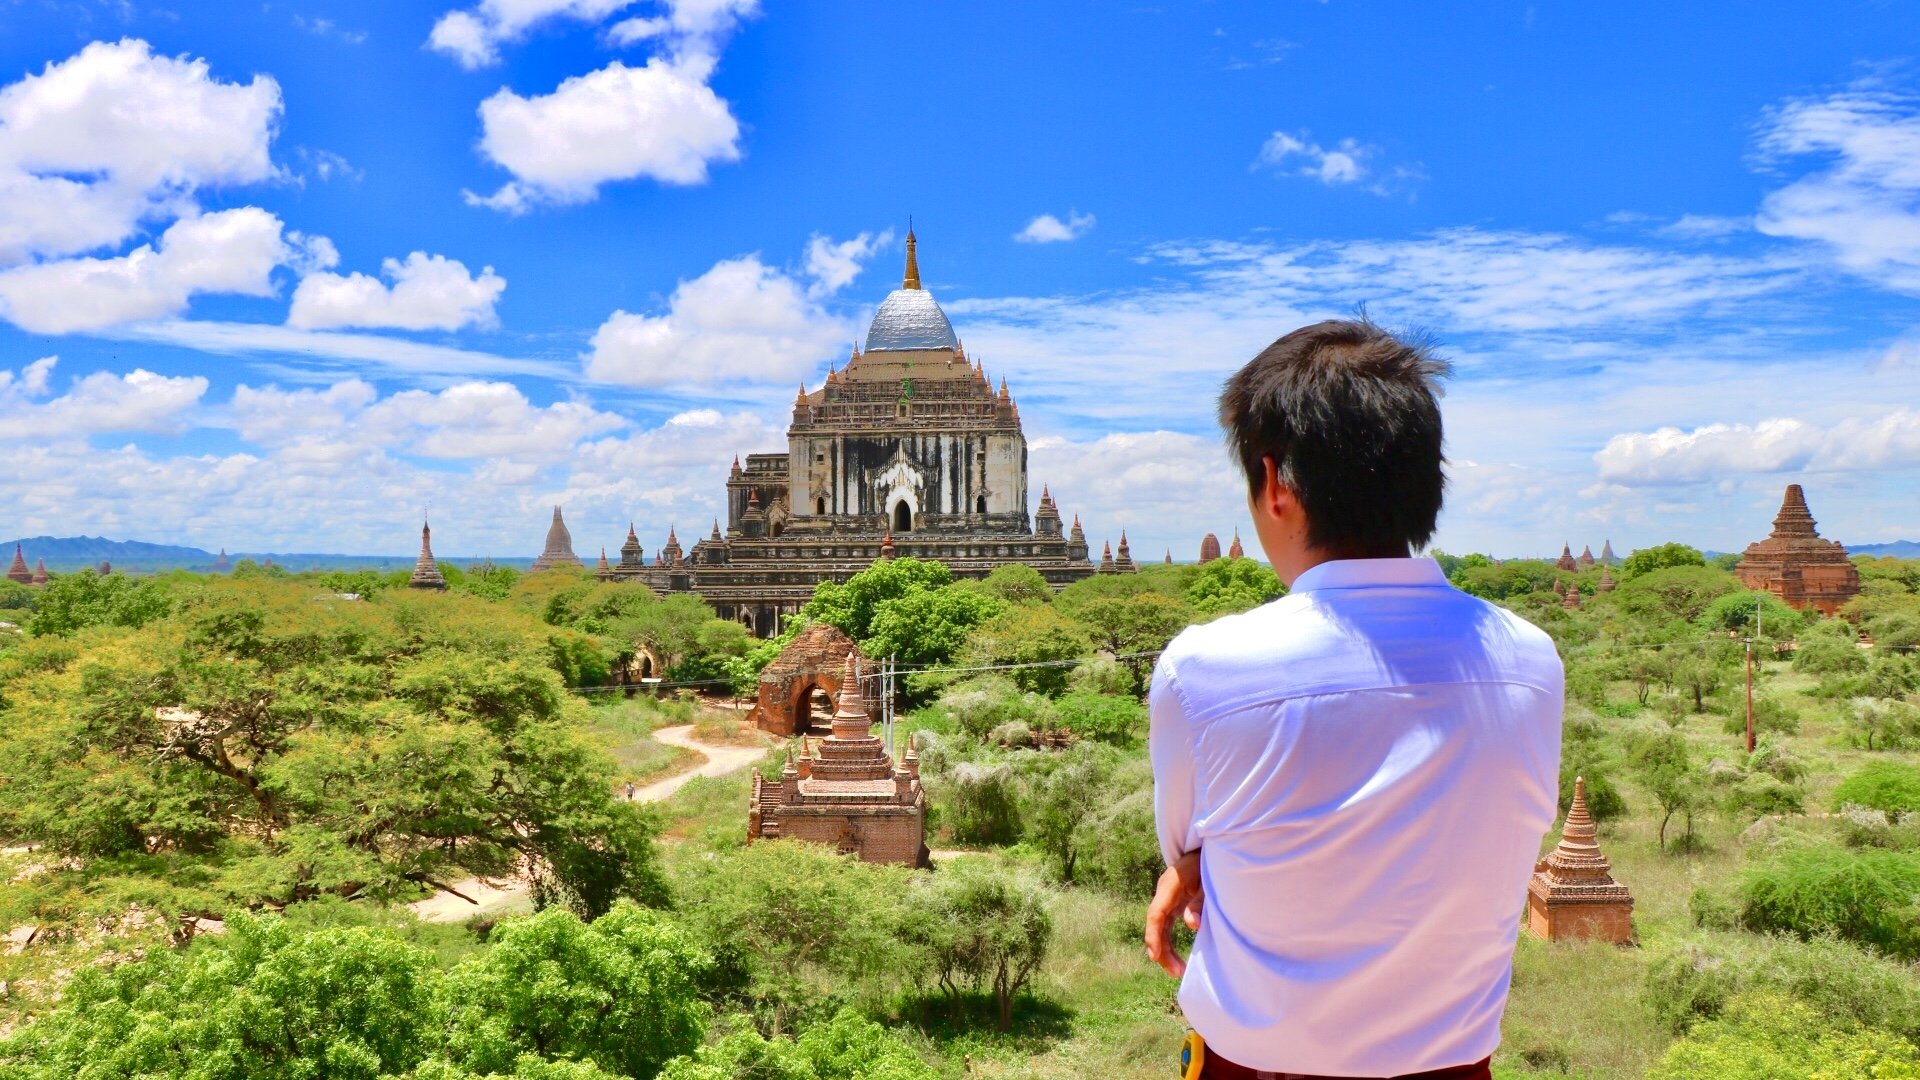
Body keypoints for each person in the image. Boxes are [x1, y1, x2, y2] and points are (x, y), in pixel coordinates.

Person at [1144, 319, 1563, 1080]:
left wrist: (1196, 863)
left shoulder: (1202, 670)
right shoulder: (1531, 660)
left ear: (1275, 484)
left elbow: (1189, 848)